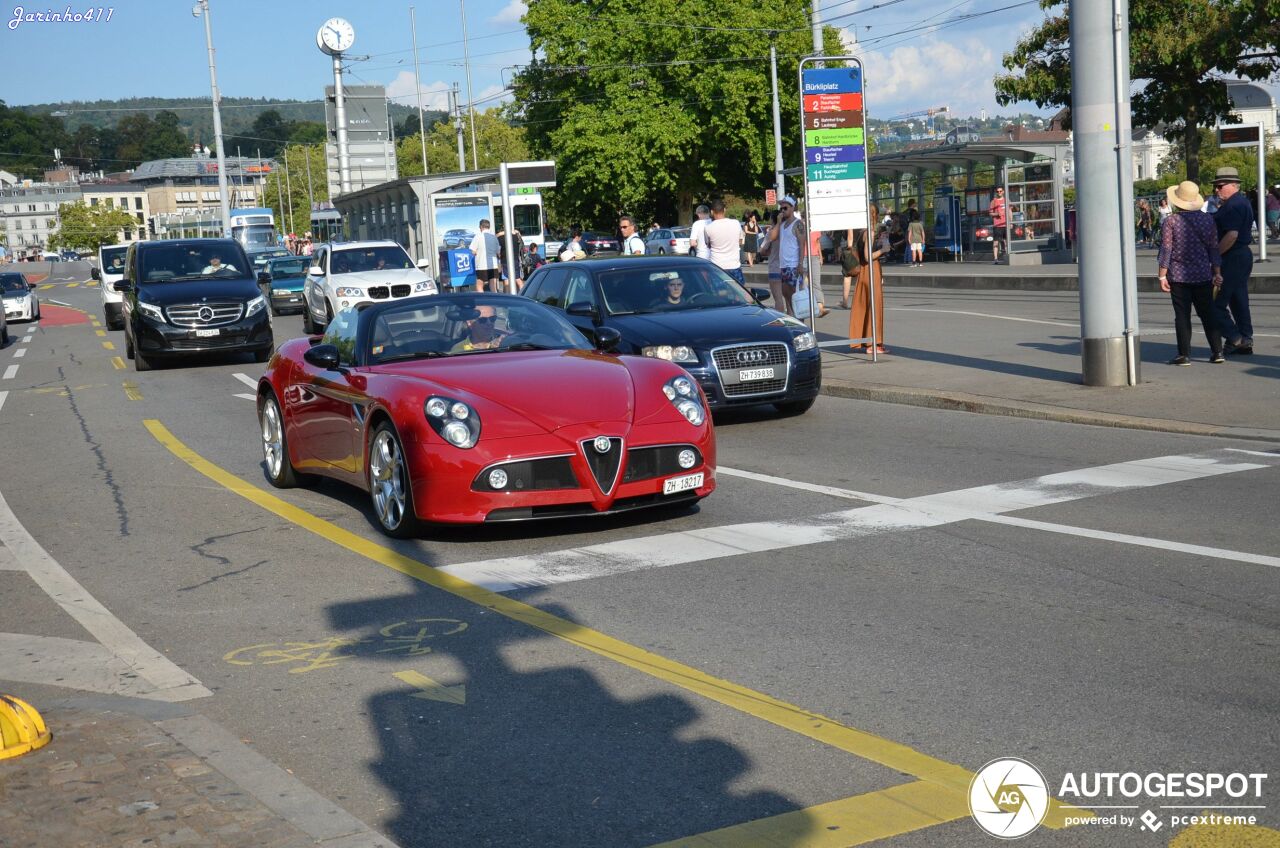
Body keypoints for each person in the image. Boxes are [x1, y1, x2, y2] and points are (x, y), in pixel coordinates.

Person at [1157, 181, 1223, 365]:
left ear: (1177, 201)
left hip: (1178, 276)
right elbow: (1213, 248)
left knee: (1182, 315)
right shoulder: (1208, 219)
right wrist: (1217, 272)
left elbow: (1166, 249)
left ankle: (1184, 354)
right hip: (1203, 274)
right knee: (1208, 313)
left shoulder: (1171, 221)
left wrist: (1162, 275)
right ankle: (1217, 352)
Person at [1210, 166, 1254, 355]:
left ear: (1233, 185)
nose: (1217, 190)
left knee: (1215, 304)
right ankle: (1245, 338)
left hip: (1232, 255)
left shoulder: (1233, 205)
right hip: (1241, 255)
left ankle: (1234, 337)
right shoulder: (1241, 202)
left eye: (1220, 186)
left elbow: (1232, 235)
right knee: (1238, 300)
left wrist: (1215, 256)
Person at [849, 204, 890, 354]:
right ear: (875, 215)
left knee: (864, 305)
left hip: (863, 272)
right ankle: (874, 344)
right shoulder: (870, 232)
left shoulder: (862, 232)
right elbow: (868, 256)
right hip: (871, 270)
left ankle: (866, 341)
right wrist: (883, 250)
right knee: (875, 306)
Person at [769, 196, 806, 316]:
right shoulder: (782, 224)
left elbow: (802, 245)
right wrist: (778, 222)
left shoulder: (798, 224)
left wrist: (800, 264)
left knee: (796, 298)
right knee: (787, 298)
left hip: (793, 265)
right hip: (783, 266)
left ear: (793, 207)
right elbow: (772, 237)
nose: (782, 210)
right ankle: (793, 320)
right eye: (781, 208)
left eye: (785, 208)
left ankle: (799, 321)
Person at [703, 199, 745, 284]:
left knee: (719, 295)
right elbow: (740, 242)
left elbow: (708, 245)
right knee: (739, 294)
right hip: (734, 265)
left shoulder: (708, 228)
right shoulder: (736, 223)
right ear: (724, 210)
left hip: (717, 267)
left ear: (712, 212)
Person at [469, 219, 502, 292]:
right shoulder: (494, 237)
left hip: (481, 265)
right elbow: (498, 252)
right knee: (493, 286)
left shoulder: (477, 237)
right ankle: (495, 301)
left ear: (481, 227)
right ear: (488, 227)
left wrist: (478, 252)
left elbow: (473, 252)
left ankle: (482, 302)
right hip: (493, 265)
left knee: (479, 285)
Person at [989, 186, 1007, 263]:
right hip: (997, 225)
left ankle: (1006, 257)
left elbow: (1009, 211)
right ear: (996, 192)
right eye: (997, 191)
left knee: (1006, 242)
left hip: (1005, 224)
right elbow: (990, 213)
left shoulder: (1006, 200)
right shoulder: (994, 201)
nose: (999, 192)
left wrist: (1011, 222)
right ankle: (995, 259)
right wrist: (997, 214)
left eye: (1000, 191)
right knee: (996, 242)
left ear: (1003, 192)